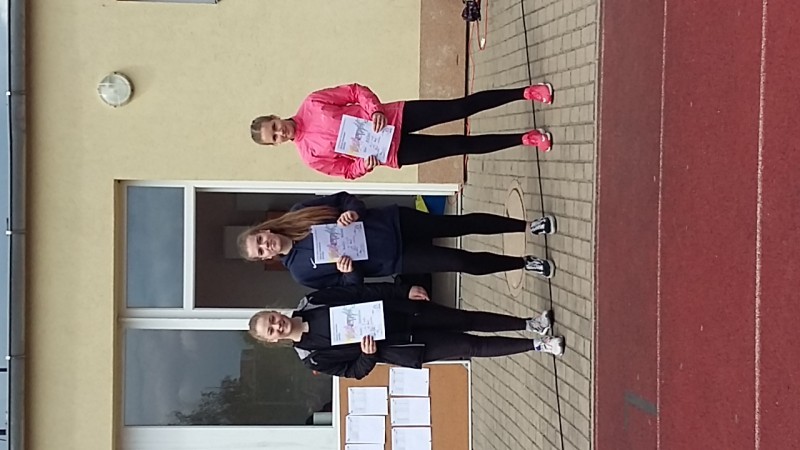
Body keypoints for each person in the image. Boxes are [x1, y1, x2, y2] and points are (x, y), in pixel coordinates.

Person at [237, 191, 557, 289]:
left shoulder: (298, 212)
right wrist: (349, 270)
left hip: (393, 223)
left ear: (266, 230)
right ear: (265, 258)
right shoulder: (301, 273)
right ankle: (523, 263)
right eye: (261, 251)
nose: (266, 245)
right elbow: (350, 288)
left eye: (261, 239)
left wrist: (351, 213)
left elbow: (346, 198)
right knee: (460, 262)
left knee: (459, 225)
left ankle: (528, 226)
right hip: (395, 259)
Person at [248, 282, 566, 379]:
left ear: (275, 312)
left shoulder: (313, 301)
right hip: (405, 346)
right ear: (272, 341)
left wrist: (402, 291)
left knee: (466, 319)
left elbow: (360, 292)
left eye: (271, 319)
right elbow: (354, 371)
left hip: (404, 313)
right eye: (271, 331)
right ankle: (540, 346)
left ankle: (531, 324)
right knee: (471, 347)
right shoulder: (313, 357)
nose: (276, 325)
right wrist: (367, 355)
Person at [249, 83, 555, 179]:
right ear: (275, 145)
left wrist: (375, 110)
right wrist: (364, 165)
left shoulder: (313, 103)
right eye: (274, 137)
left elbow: (354, 91)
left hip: (396, 117)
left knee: (458, 108)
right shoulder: (310, 157)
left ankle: (525, 93)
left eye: (274, 127)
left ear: (275, 117)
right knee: (459, 146)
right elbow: (346, 171)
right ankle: (525, 139)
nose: (280, 133)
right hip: (391, 152)